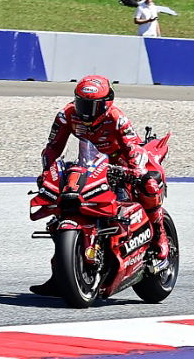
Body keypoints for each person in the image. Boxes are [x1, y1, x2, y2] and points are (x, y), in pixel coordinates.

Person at [32, 76, 168, 295]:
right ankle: (62, 274)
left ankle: (160, 238)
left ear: (106, 102)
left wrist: (135, 170)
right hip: (89, 163)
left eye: (92, 105)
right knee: (62, 202)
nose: (85, 110)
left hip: (119, 163)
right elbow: (52, 148)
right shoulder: (66, 115)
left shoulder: (117, 118)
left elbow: (132, 146)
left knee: (149, 184)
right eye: (81, 103)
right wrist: (47, 172)